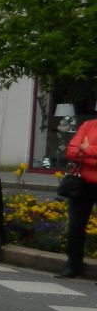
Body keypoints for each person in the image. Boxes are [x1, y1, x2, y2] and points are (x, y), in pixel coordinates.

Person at [56, 110, 97, 279]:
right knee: (75, 228)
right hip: (82, 184)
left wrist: (86, 149)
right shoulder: (88, 125)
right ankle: (73, 265)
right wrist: (91, 154)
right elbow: (71, 152)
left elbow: (79, 151)